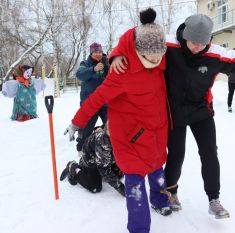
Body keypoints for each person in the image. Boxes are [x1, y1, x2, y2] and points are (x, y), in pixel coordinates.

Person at [111, 14, 235, 219]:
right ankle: (171, 191)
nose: (197, 47)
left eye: (202, 43)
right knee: (176, 154)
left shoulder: (215, 54)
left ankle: (214, 199)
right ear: (184, 35)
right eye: (193, 42)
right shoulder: (168, 43)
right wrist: (118, 53)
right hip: (173, 111)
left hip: (200, 110)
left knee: (209, 153)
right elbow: (134, 35)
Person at [64, 8, 171, 233]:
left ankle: (160, 201)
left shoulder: (162, 61)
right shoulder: (121, 71)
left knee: (157, 171)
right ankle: (139, 228)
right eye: (149, 55)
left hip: (156, 133)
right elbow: (96, 99)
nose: (155, 59)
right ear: (138, 51)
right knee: (135, 186)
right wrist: (77, 122)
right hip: (131, 137)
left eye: (158, 54)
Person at [60, 124, 125, 196]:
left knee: (119, 174)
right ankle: (74, 168)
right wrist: (122, 189)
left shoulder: (123, 135)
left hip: (107, 158)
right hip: (91, 160)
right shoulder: (104, 142)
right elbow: (104, 169)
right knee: (95, 187)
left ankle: (101, 171)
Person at [75, 42, 109, 153]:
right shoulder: (85, 64)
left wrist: (107, 65)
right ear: (91, 53)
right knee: (86, 129)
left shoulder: (105, 63)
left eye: (100, 52)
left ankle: (109, 146)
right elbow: (79, 74)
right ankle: (81, 148)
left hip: (104, 102)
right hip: (89, 103)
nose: (98, 54)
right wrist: (93, 69)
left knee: (111, 124)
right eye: (95, 52)